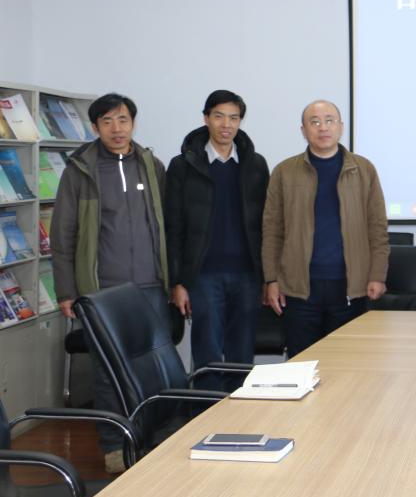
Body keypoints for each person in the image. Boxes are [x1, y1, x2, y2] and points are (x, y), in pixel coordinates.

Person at [50, 93, 170, 473]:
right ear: (95, 127)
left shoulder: (151, 166)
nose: (116, 129)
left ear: (133, 123)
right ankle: (114, 445)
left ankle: (154, 440)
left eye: (123, 120)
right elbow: (63, 234)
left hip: (150, 286)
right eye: (107, 122)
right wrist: (67, 290)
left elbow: (168, 226)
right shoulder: (80, 171)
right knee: (107, 373)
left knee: (155, 368)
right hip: (102, 290)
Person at [262, 100, 389, 357]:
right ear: (303, 130)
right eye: (315, 122)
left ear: (340, 127)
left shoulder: (363, 169)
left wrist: (377, 275)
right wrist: (271, 279)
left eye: (329, 121)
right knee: (301, 363)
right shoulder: (285, 172)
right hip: (298, 289)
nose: (323, 127)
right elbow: (272, 230)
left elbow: (377, 227)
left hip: (350, 287)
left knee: (347, 363)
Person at [164, 90, 269, 391]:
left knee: (242, 353)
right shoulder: (183, 165)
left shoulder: (255, 164)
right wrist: (177, 282)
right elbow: (173, 227)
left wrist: (268, 277)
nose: (226, 124)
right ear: (206, 118)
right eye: (219, 116)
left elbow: (267, 224)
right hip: (203, 276)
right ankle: (206, 412)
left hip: (247, 275)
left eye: (234, 118)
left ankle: (240, 411)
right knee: (207, 354)